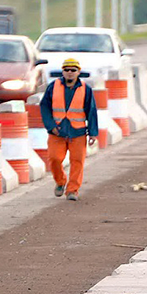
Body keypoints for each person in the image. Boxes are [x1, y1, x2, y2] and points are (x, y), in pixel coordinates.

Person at [39, 58, 99, 201]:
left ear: (78, 72)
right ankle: (60, 182)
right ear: (63, 72)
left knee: (77, 161)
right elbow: (44, 107)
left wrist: (93, 133)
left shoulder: (86, 89)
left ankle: (72, 190)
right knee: (54, 159)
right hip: (57, 132)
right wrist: (51, 126)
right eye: (67, 70)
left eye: (73, 70)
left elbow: (91, 111)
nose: (70, 73)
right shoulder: (53, 87)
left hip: (77, 132)